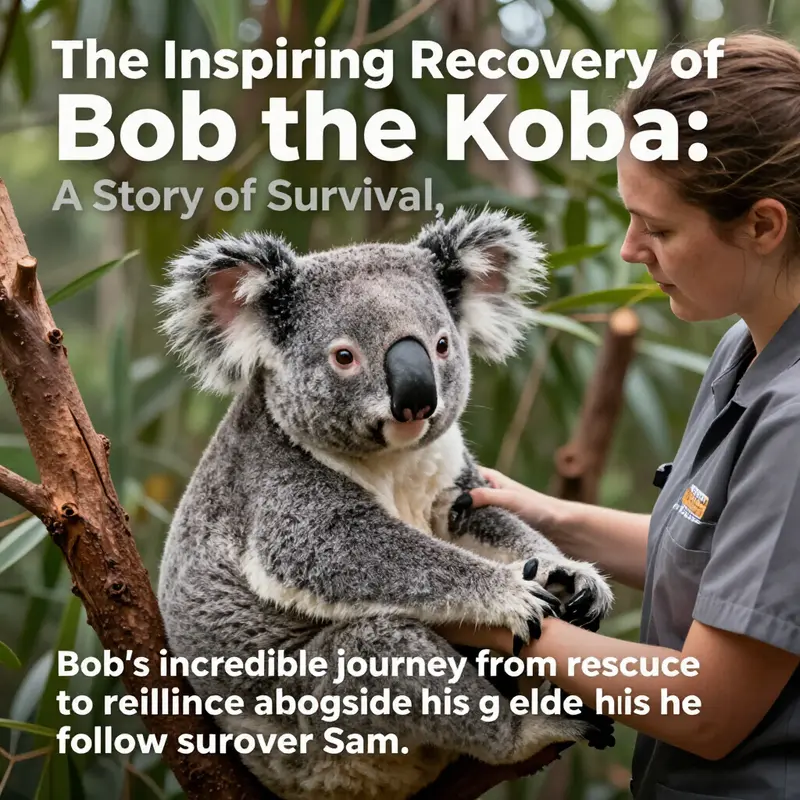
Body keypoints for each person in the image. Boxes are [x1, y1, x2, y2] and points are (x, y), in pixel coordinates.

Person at [437, 31, 800, 800]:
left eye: (660, 228)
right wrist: (547, 517)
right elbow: (732, 559)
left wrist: (485, 619)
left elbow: (707, 707)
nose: (631, 248)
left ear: (764, 225)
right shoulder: (747, 343)